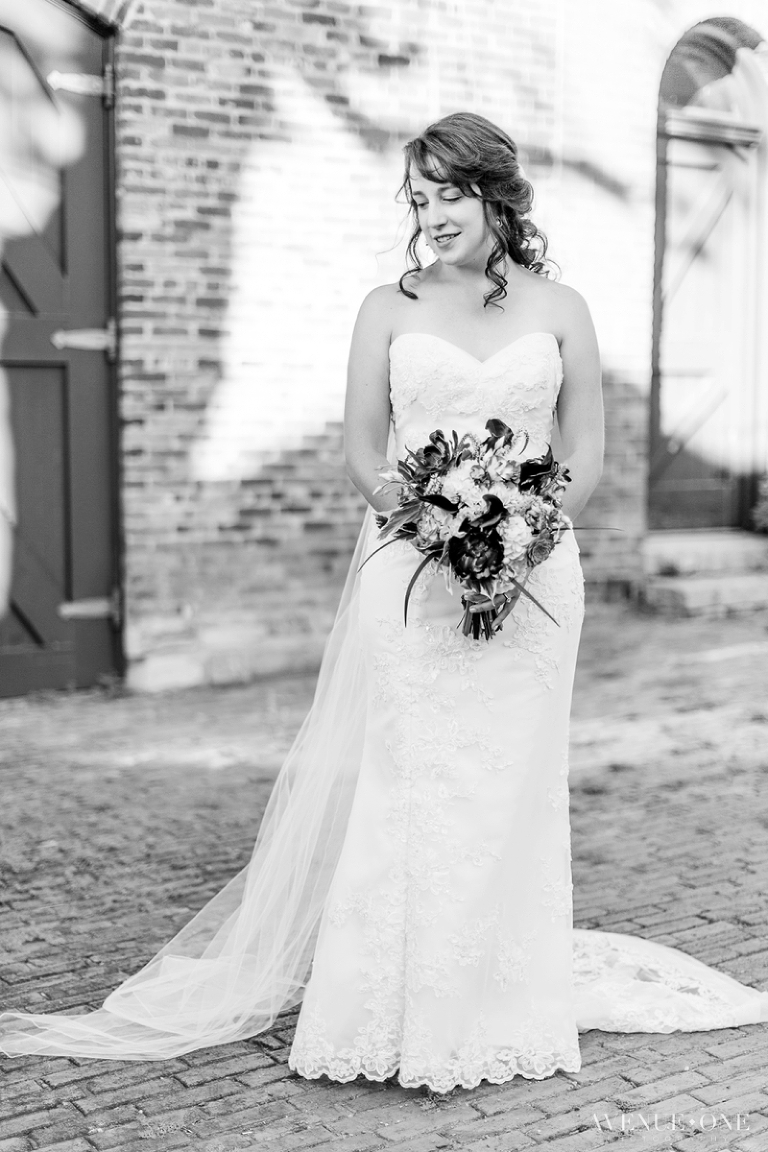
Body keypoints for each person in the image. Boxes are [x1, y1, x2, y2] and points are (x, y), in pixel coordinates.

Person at [2, 112, 767, 1090]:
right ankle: (392, 1002)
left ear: (498, 195)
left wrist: (522, 533)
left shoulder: (564, 308)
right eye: (418, 197)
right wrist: (436, 528)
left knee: (511, 789)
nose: (432, 214)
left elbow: (585, 452)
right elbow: (364, 451)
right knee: (411, 780)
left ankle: (499, 995)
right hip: (409, 574)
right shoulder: (387, 307)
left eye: (450, 193)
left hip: (538, 580)